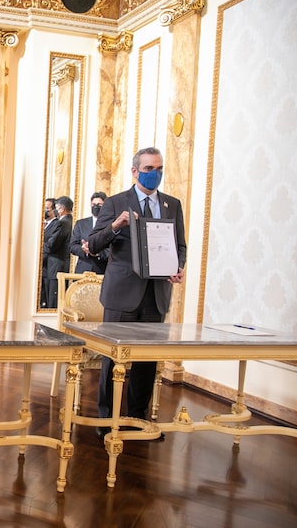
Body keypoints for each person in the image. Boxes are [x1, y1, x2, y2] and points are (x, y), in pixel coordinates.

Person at [87, 147, 186, 440]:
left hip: (156, 294)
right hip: (122, 294)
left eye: (159, 168)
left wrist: (178, 266)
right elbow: (93, 244)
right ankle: (107, 420)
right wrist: (116, 226)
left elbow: (180, 244)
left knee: (147, 360)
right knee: (112, 359)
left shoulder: (172, 205)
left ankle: (138, 419)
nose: (154, 173)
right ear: (134, 171)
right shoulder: (117, 202)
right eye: (148, 168)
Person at [44, 195, 73, 309]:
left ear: (61, 209)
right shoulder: (69, 221)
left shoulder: (62, 223)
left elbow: (52, 245)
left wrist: (40, 244)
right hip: (60, 265)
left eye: (56, 207)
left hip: (56, 265)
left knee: (53, 301)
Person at [69, 191, 108, 274]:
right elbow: (72, 246)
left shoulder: (111, 224)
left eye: (99, 205)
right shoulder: (81, 224)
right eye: (93, 204)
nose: (96, 207)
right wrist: (85, 250)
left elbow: (113, 249)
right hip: (83, 269)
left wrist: (97, 253)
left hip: (102, 270)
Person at [40, 197, 57, 308]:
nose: (45, 211)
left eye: (47, 208)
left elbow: (51, 246)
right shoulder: (41, 224)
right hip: (41, 267)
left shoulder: (57, 224)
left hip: (49, 266)